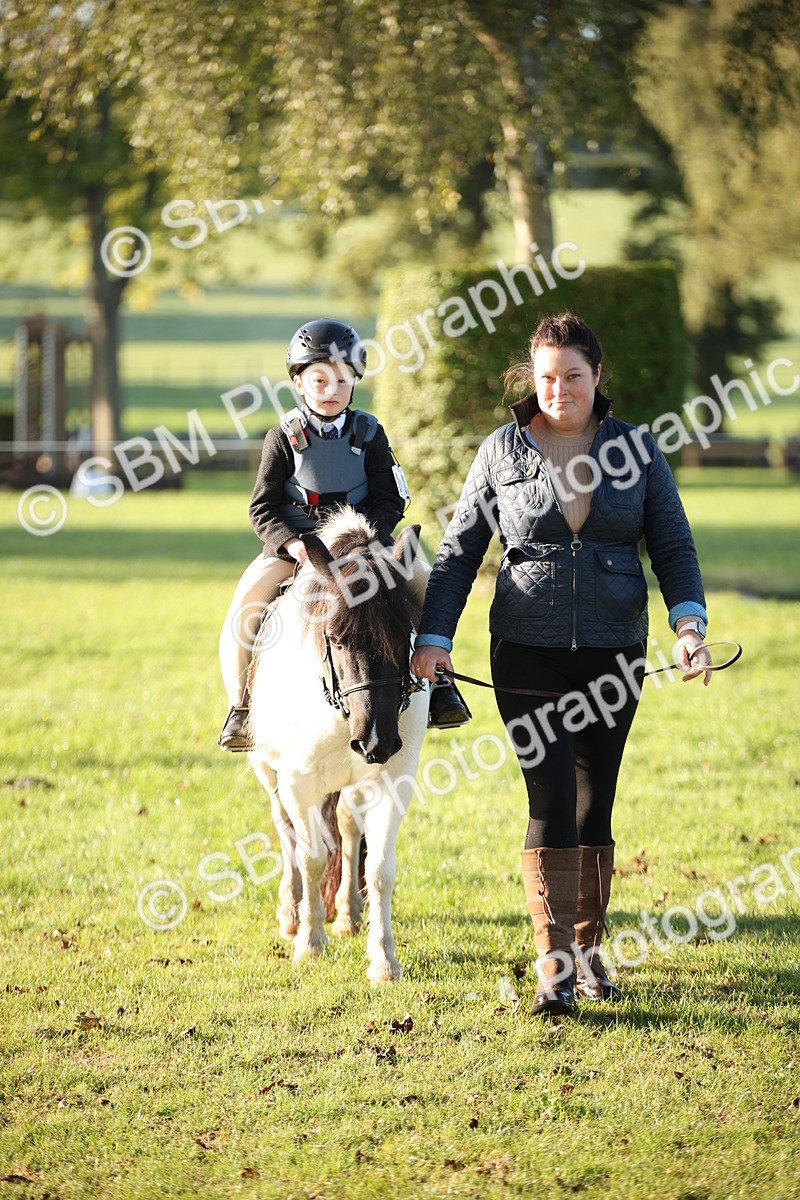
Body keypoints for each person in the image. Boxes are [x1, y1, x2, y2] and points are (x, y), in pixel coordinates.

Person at [410, 311, 711, 1016]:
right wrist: (435, 638)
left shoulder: (637, 450)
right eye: (547, 377)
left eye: (572, 376)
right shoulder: (501, 452)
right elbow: (457, 554)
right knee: (548, 799)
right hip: (525, 651)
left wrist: (689, 622)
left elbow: (673, 545)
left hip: (615, 649)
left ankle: (589, 953)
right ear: (531, 378)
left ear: (596, 376)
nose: (559, 390)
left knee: (593, 799)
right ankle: (554, 968)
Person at [218, 317, 470, 750]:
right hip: (299, 547)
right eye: (319, 380)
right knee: (244, 609)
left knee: (428, 587)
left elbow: (391, 499)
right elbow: (262, 506)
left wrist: (368, 540)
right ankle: (240, 709)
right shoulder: (281, 437)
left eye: (341, 379)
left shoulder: (370, 432)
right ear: (299, 383)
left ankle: (441, 685)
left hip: (364, 545)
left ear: (354, 379)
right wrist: (294, 544)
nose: (331, 390)